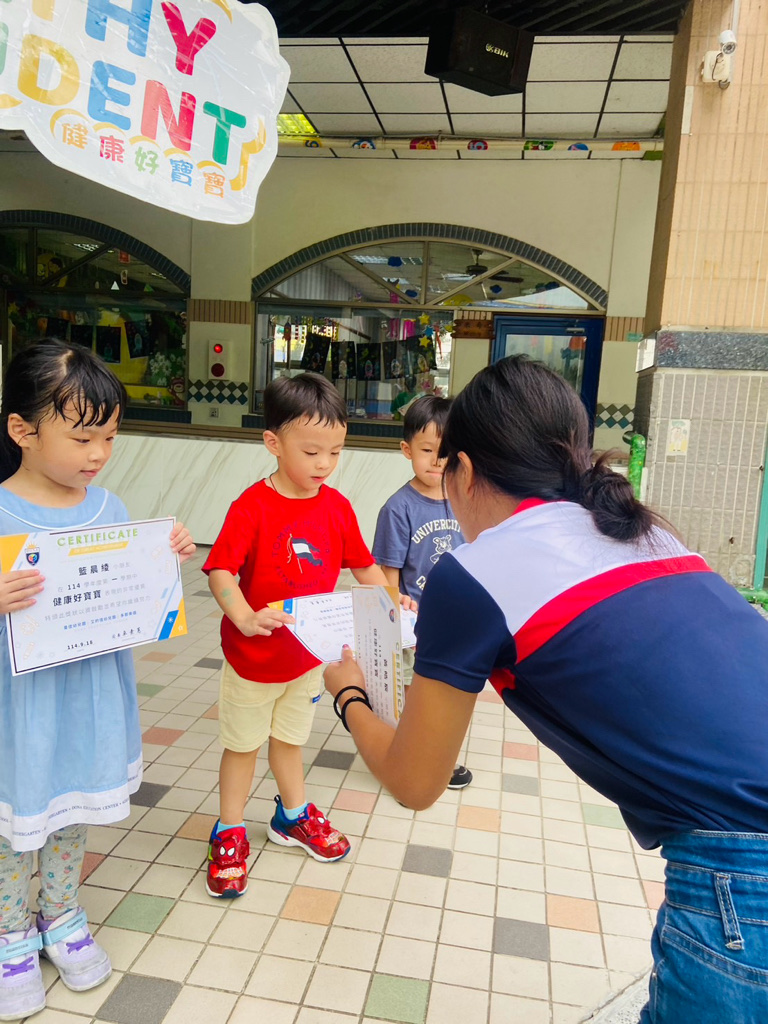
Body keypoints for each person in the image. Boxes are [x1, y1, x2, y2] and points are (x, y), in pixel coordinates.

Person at [325, 354, 768, 1024]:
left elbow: (415, 782)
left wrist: (349, 695)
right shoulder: (650, 534)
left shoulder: (473, 573)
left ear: (463, 471)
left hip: (744, 873)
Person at [0, 340, 195, 1021]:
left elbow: (133, 593)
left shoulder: (108, 508)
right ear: (22, 430)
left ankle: (60, 913)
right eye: (82, 438)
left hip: (85, 695)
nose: (99, 454)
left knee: (71, 807)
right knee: (15, 817)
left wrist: (164, 559)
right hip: (19, 704)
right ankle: (10, 934)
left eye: (109, 436)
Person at [203, 372, 413, 899]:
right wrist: (244, 616)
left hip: (306, 659)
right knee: (243, 748)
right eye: (312, 451)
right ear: (273, 443)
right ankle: (229, 830)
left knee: (291, 741)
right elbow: (221, 570)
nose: (324, 464)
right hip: (253, 661)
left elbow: (364, 568)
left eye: (335, 452)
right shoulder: (251, 507)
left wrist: (396, 602)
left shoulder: (336, 507)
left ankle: (291, 815)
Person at [372, 395, 471, 790]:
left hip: (456, 620)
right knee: (415, 695)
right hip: (414, 624)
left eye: (445, 451)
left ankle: (437, 758)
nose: (437, 460)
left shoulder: (466, 499)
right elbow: (388, 572)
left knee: (448, 692)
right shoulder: (398, 508)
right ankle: (410, 764)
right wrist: (395, 620)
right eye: (427, 450)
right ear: (406, 449)